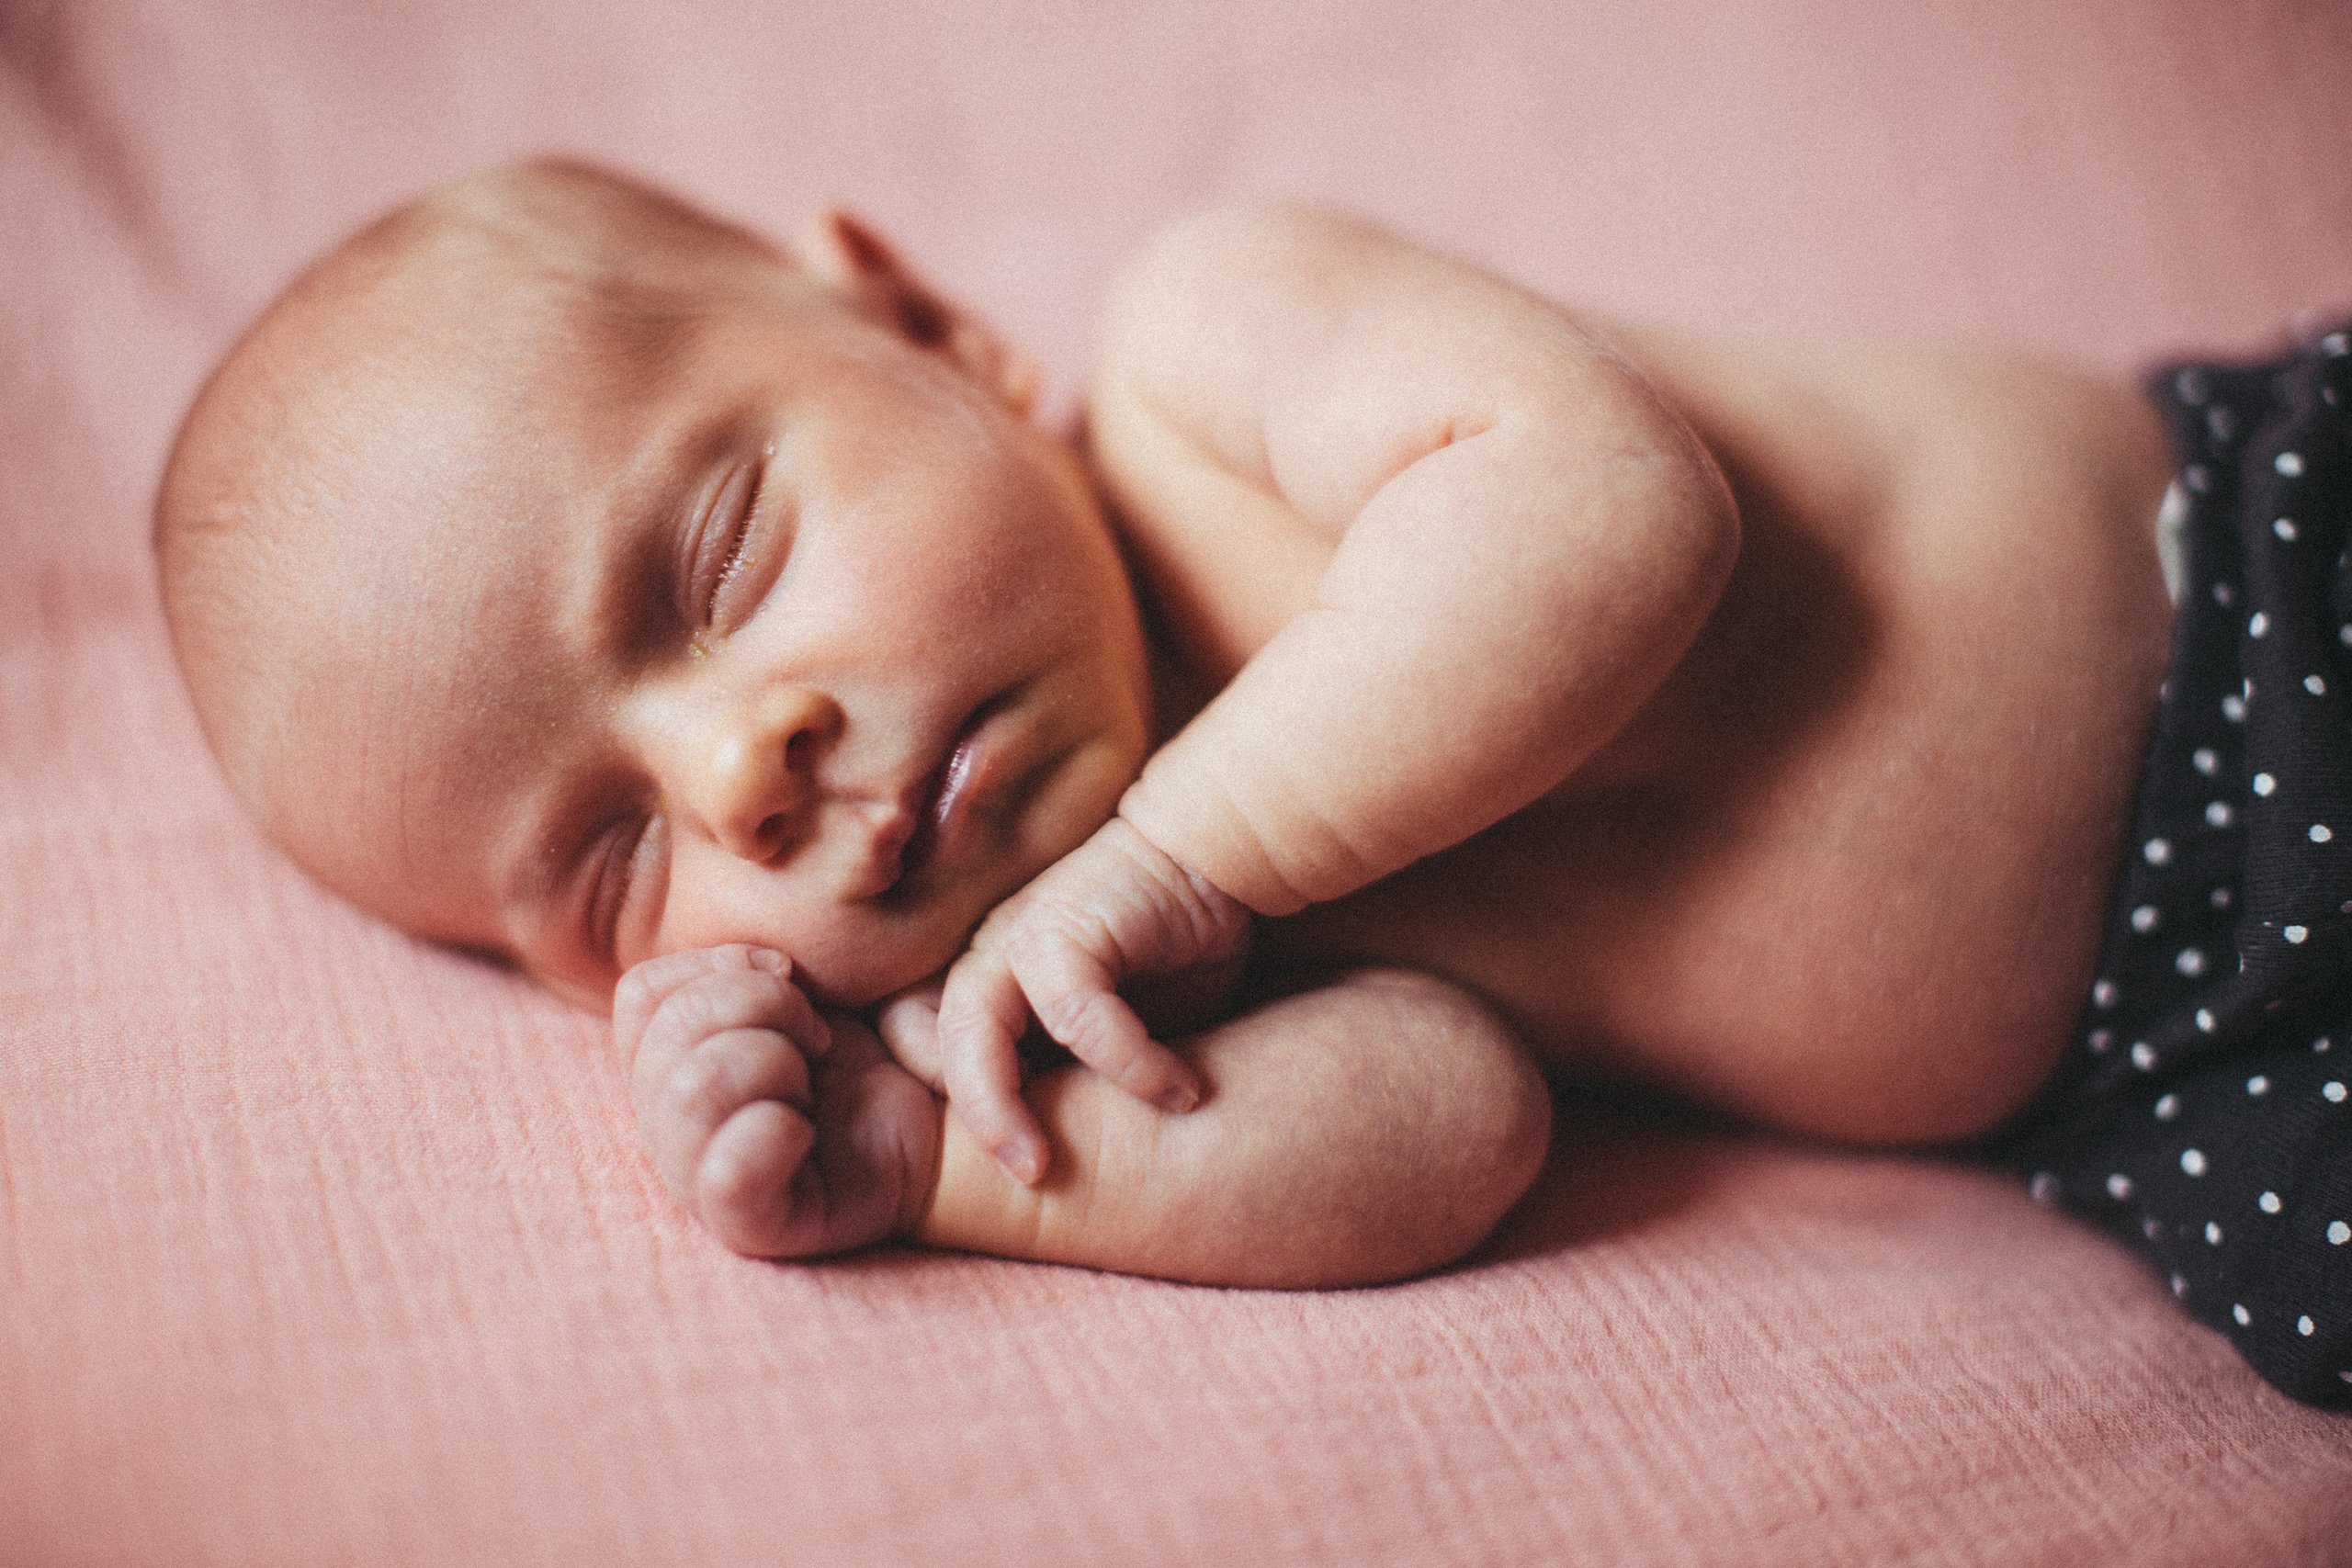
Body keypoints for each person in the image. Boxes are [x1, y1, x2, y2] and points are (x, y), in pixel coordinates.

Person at [154, 161, 2350, 1405]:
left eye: (720, 561)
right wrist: (939, 1150)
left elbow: (1604, 509)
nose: (740, 767)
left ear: (918, 326)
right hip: (2159, 1074)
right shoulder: (1077, 955)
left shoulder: (1211, 357)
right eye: (612, 861)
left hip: (2255, 590)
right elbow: (1444, 1125)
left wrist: (1191, 854)